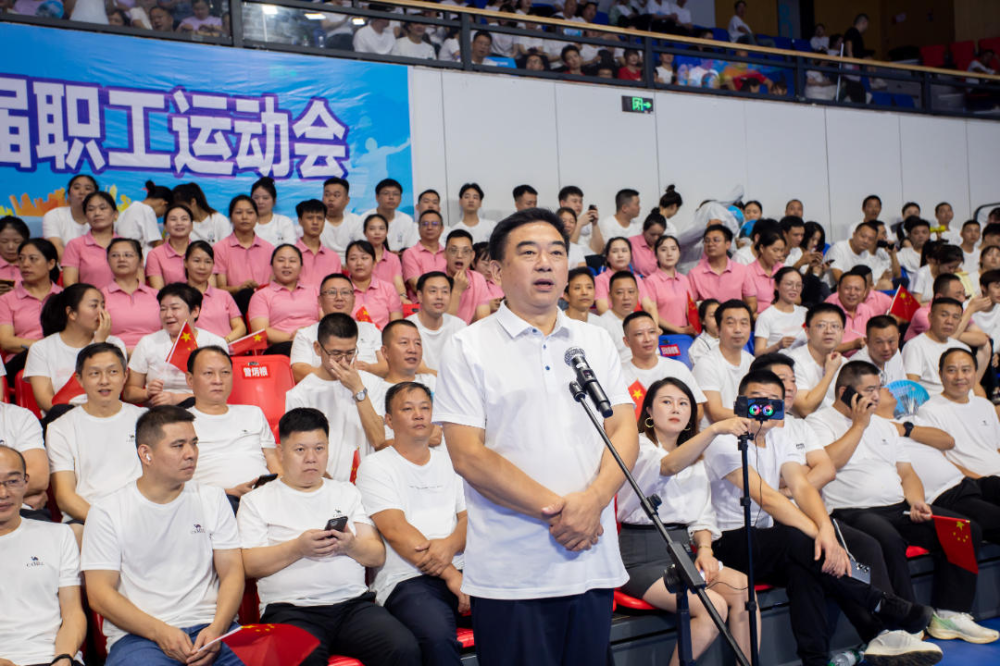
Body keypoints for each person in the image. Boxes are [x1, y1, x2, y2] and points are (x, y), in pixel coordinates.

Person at [435, 208, 639, 666]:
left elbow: (624, 429)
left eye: (556, 253)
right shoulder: (468, 346)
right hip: (513, 572)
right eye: (529, 253)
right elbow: (468, 456)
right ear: (496, 270)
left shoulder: (594, 341)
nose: (545, 263)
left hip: (590, 560)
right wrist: (566, 514)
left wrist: (593, 502)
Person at [703, 370, 938, 666]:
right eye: (757, 398)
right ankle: (880, 602)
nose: (766, 406)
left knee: (806, 569)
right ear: (740, 402)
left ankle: (815, 659)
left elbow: (801, 487)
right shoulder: (724, 440)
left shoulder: (779, 437)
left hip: (767, 543)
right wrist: (819, 535)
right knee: (798, 540)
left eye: (774, 399)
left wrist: (826, 529)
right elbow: (767, 497)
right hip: (730, 542)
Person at [807, 360, 998, 644]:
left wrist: (917, 501)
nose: (876, 396)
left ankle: (950, 613)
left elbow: (906, 473)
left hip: (898, 507)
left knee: (963, 528)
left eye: (878, 388)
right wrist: (859, 425)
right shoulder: (818, 422)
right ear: (845, 392)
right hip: (851, 511)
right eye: (869, 390)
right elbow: (828, 465)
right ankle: (906, 622)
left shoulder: (884, 425)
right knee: (888, 538)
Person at [237, 407, 420, 666]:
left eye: (319, 448)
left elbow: (376, 555)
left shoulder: (347, 492)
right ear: (281, 452)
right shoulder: (256, 500)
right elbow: (248, 565)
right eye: (300, 450)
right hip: (290, 611)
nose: (311, 458)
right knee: (301, 659)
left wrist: (350, 545)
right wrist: (298, 548)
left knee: (402, 647)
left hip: (353, 606)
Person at [82, 406, 244, 666]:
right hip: (140, 636)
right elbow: (99, 593)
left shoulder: (212, 498)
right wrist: (159, 632)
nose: (191, 453)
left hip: (212, 627)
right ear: (146, 453)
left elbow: (232, 571)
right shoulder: (107, 511)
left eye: (194, 443)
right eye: (178, 445)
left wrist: (217, 628)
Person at [617, 378, 755, 665]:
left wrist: (705, 550)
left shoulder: (697, 459)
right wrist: (715, 429)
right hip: (641, 557)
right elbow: (667, 466)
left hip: (683, 553)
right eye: (666, 402)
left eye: (683, 403)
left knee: (743, 588)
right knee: (713, 607)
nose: (675, 408)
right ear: (649, 411)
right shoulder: (638, 446)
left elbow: (702, 516)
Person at [357, 382, 469, 666]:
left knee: (513, 614)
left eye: (425, 408)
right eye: (408, 409)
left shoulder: (451, 461)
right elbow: (396, 531)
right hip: (407, 579)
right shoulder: (376, 466)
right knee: (436, 636)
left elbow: (469, 519)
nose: (419, 415)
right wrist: (450, 575)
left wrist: (449, 547)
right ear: (389, 420)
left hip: (465, 569)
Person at [48, 344, 146, 543]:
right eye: (94, 373)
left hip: (143, 513)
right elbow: (65, 496)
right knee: (74, 534)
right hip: (89, 516)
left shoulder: (145, 419)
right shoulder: (60, 428)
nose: (104, 381)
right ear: (79, 379)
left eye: (112, 372)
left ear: (125, 375)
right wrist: (108, 522)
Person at [0, 445, 87, 666]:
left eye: (12, 481)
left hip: (52, 657)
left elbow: (73, 614)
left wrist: (63, 658)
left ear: (25, 482)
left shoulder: (59, 535)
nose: (3, 493)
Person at [286, 314, 386, 478]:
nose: (343, 361)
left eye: (350, 353)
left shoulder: (370, 383)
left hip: (366, 481)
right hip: (324, 483)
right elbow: (302, 456)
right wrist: (333, 488)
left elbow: (378, 439)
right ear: (318, 348)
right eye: (336, 353)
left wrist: (357, 389)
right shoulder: (300, 394)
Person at [185, 346, 280, 506]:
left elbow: (273, 460)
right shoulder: (180, 423)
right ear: (190, 380)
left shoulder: (253, 413)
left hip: (264, 498)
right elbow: (175, 481)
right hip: (212, 502)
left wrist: (281, 487)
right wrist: (228, 492)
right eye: (208, 373)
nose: (218, 380)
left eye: (225, 372)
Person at [25, 284, 126, 414]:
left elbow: (114, 390)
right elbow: (45, 401)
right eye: (94, 306)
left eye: (103, 306)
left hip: (106, 414)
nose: (102, 312)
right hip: (62, 417)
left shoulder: (114, 344)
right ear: (72, 313)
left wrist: (100, 344)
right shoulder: (41, 348)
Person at [125, 283, 228, 406]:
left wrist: (178, 398)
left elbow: (221, 390)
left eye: (175, 308)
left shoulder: (214, 343)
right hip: (159, 412)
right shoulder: (147, 342)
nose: (168, 315)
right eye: (163, 309)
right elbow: (128, 393)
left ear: (195, 311)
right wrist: (146, 393)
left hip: (201, 409)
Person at [918, 348, 1000, 478]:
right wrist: (981, 481)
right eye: (951, 370)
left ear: (975, 373)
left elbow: (997, 448)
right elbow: (940, 461)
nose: (959, 377)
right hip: (973, 482)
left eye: (966, 370)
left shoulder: (985, 405)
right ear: (940, 374)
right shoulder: (929, 411)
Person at [290, 273, 382, 382]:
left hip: (370, 388)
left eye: (345, 292)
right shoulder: (304, 335)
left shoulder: (371, 330)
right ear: (320, 300)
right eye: (332, 292)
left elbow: (388, 366)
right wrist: (337, 375)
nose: (339, 298)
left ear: (354, 299)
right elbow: (298, 371)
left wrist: (369, 369)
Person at [365, 321, 439, 448]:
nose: (413, 349)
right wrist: (421, 438)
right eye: (404, 343)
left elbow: (439, 434)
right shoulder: (374, 390)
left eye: (417, 343)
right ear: (385, 352)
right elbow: (379, 442)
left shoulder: (433, 382)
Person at [622, 311, 706, 421]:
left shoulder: (678, 368)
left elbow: (698, 408)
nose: (647, 339)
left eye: (652, 332)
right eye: (639, 334)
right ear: (626, 341)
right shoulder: (620, 375)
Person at [0, 238, 61, 377]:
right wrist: (44, 348)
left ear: (51, 264)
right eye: (21, 259)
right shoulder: (6, 299)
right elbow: (6, 341)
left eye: (33, 259)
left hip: (59, 359)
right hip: (22, 361)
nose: (25, 264)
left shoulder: (64, 296)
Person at [903, 298, 983, 397]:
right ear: (930, 317)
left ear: (960, 321)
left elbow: (975, 385)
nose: (949, 321)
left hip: (966, 401)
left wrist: (985, 404)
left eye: (955, 317)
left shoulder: (963, 348)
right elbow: (911, 389)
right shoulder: (915, 346)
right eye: (944, 315)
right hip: (934, 402)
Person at [691, 299, 754, 427]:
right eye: (730, 323)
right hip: (718, 433)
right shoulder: (706, 364)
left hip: (747, 429)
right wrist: (758, 415)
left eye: (744, 323)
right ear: (718, 329)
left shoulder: (752, 362)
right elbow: (716, 413)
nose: (738, 329)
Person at [247, 244, 320, 352]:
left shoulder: (315, 291)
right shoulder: (261, 295)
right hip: (282, 346)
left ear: (301, 266)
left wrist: (310, 333)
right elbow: (260, 331)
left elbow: (327, 321)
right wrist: (296, 337)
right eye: (281, 260)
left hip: (316, 341)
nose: (286, 265)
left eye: (292, 261)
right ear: (272, 265)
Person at [214, 195, 275, 313]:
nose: (244, 217)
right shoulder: (220, 248)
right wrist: (240, 288)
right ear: (231, 217)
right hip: (233, 306)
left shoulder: (269, 249)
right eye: (238, 212)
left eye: (250, 212)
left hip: (265, 306)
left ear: (257, 217)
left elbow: (273, 286)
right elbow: (220, 288)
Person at [787, 303, 846, 417]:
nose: (829, 331)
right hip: (804, 424)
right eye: (821, 325)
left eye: (835, 326)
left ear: (843, 333)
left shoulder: (844, 363)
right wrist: (830, 372)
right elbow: (805, 410)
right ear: (807, 332)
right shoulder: (793, 362)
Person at [101, 238, 159, 351]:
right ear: (107, 261)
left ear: (141, 260)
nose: (121, 259)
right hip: (115, 354)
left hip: (155, 354)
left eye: (128, 255)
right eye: (115, 255)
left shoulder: (157, 296)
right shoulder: (100, 296)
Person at [184, 241, 246, 343]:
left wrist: (223, 342)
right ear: (185, 263)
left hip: (226, 348)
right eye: (196, 261)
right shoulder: (178, 297)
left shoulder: (224, 295)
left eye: (208, 262)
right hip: (195, 349)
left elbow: (240, 327)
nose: (202, 267)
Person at [904, 273, 990, 343]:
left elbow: (982, 338)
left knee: (985, 346)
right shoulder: (922, 315)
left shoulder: (960, 312)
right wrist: (970, 310)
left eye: (964, 294)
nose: (963, 299)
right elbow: (948, 340)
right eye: (957, 296)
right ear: (939, 297)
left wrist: (957, 335)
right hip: (922, 357)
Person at [688, 225, 757, 312]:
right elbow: (690, 306)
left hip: (735, 318)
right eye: (707, 241)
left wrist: (739, 316)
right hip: (708, 320)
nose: (710, 244)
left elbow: (752, 303)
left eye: (716, 240)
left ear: (727, 244)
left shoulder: (742, 270)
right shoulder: (694, 274)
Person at [407, 272, 465, 372]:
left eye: (445, 292)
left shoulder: (459, 326)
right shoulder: (407, 328)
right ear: (420, 296)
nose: (439, 297)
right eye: (433, 291)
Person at [62, 191, 118, 289]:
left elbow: (138, 281)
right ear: (86, 216)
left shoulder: (127, 245)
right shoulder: (75, 245)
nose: (97, 213)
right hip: (87, 298)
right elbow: (70, 283)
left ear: (115, 214)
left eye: (103, 208)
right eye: (91, 209)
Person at [645, 235, 694, 335]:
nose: (669, 254)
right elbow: (651, 311)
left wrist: (693, 327)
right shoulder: (651, 281)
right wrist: (678, 330)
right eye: (663, 250)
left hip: (686, 333)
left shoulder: (684, 279)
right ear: (656, 255)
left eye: (673, 249)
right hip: (663, 333)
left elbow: (690, 308)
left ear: (679, 253)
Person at [348, 240, 404, 329]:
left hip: (382, 337)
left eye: (364, 258)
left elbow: (396, 326)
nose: (359, 263)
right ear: (347, 264)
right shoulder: (340, 290)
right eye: (353, 259)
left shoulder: (388, 289)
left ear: (374, 263)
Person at [43, 174, 98, 260]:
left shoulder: (105, 218)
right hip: (64, 266)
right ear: (68, 194)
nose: (82, 192)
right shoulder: (54, 215)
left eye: (88, 188)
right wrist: (73, 268)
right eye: (76, 188)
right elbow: (57, 247)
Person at [754, 266, 806, 356]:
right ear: (776, 285)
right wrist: (777, 346)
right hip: (777, 361)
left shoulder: (805, 313)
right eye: (789, 284)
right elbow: (758, 354)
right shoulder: (766, 316)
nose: (794, 289)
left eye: (798, 285)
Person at [592, 271, 640, 363]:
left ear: (638, 294)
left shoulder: (642, 321)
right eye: (620, 292)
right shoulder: (601, 325)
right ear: (610, 296)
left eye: (631, 292)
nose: (626, 297)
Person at [443, 231, 490, 325]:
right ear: (444, 254)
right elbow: (443, 325)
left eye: (465, 251)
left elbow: (483, 320)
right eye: (453, 250)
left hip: (469, 332)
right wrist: (457, 291)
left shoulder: (478, 279)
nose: (459, 256)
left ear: (472, 256)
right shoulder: (435, 280)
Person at [146, 203, 196, 289]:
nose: (179, 223)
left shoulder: (202, 251)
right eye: (173, 219)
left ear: (191, 226)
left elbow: (209, 287)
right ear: (165, 226)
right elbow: (158, 290)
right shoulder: (155, 254)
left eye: (184, 219)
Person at [825, 271, 877, 355]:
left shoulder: (868, 311)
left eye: (857, 289)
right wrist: (852, 345)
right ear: (838, 289)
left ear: (864, 292)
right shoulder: (826, 311)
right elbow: (820, 348)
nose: (852, 293)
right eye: (847, 288)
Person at [295, 199, 343, 288]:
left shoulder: (333, 257)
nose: (315, 222)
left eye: (319, 218)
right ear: (300, 221)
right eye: (310, 218)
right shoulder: (291, 255)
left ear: (324, 222)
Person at [115, 180, 170, 254]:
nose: (161, 216)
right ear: (163, 203)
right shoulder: (147, 210)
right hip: (140, 256)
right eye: (164, 212)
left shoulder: (127, 210)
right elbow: (156, 243)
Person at [361, 178, 416, 251]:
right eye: (386, 193)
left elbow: (410, 248)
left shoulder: (406, 220)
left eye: (395, 194)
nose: (391, 197)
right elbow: (361, 246)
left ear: (400, 199)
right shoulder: (364, 218)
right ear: (377, 197)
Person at [364, 214, 408, 304]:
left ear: (387, 232)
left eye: (381, 228)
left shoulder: (393, 258)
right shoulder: (359, 257)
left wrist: (402, 297)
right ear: (365, 232)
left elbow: (399, 284)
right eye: (372, 229)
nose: (377, 232)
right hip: (365, 301)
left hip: (388, 301)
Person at [402, 210, 447, 294]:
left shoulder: (448, 254)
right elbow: (416, 285)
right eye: (425, 224)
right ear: (418, 228)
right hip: (420, 301)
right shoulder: (410, 253)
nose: (429, 227)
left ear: (442, 229)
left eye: (434, 224)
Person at [854, 315, 907, 386]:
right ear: (867, 341)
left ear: (898, 337)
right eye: (879, 342)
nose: (886, 348)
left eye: (891, 341)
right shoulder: (855, 366)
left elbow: (903, 386)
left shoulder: (895, 353)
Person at [320, 177, 363, 263]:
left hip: (350, 264)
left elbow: (362, 248)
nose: (331, 199)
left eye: (336, 195)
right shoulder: (315, 221)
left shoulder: (355, 221)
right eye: (327, 195)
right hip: (321, 263)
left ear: (347, 200)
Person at [745, 229, 786, 313]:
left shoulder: (782, 269)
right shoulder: (748, 271)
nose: (779, 255)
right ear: (762, 248)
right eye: (775, 250)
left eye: (782, 251)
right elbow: (749, 307)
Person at [591, 188, 642, 254]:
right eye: (637, 204)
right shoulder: (608, 224)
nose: (640, 207)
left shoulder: (638, 226)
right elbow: (608, 250)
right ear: (624, 208)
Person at [250, 177, 297, 247]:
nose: (260, 202)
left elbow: (290, 249)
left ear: (274, 201)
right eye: (256, 198)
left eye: (265, 198)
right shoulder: (246, 222)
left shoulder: (284, 222)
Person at [628, 211, 667, 278]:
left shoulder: (664, 245)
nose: (656, 238)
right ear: (644, 229)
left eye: (660, 235)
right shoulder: (631, 243)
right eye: (652, 234)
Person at [688, 299, 720, 367]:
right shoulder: (699, 345)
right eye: (713, 316)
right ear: (702, 321)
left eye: (720, 315)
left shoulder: (730, 338)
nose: (718, 319)